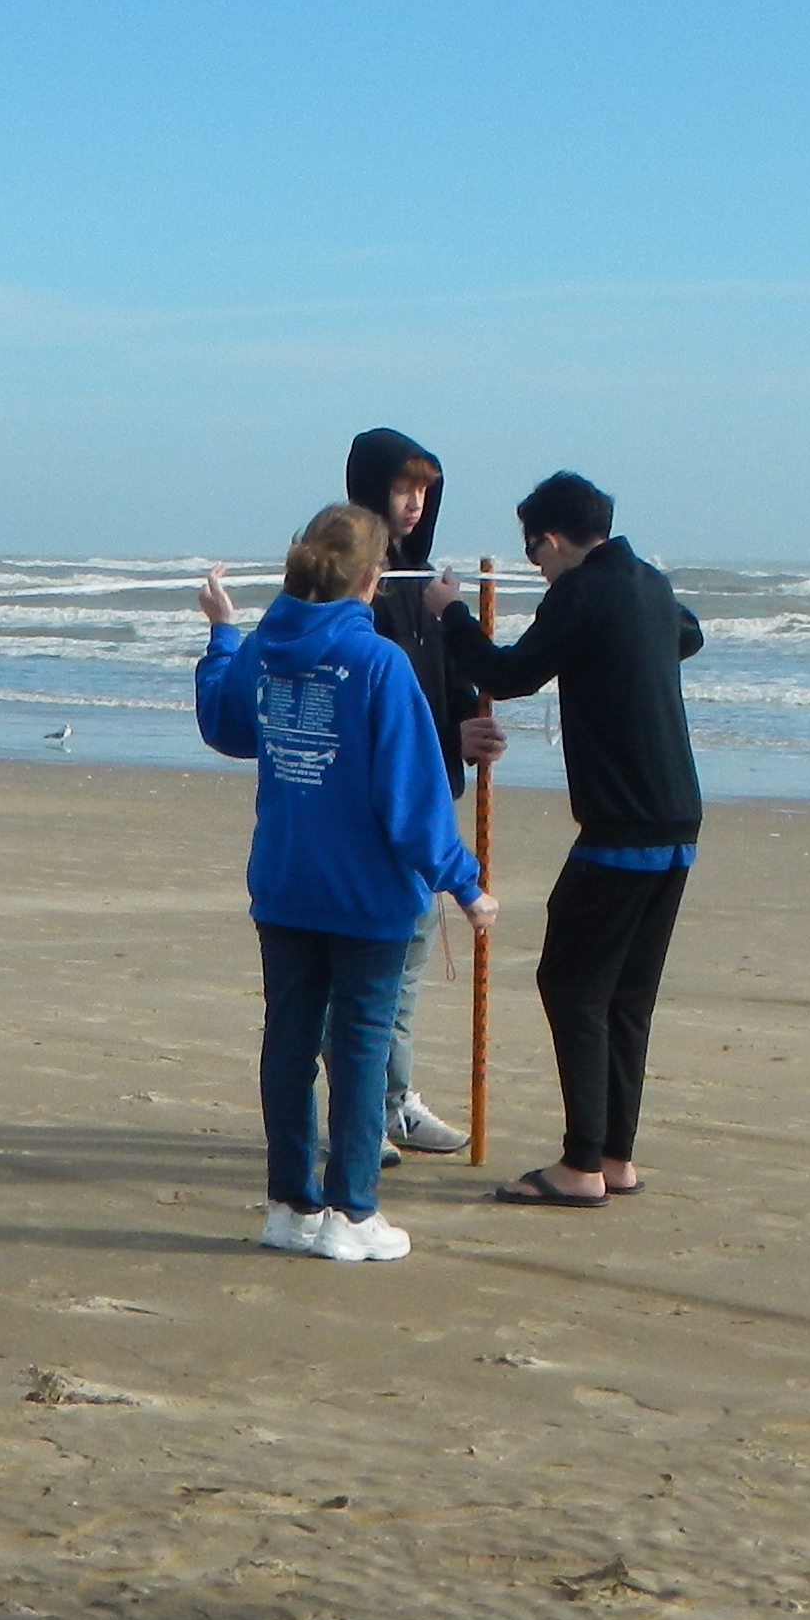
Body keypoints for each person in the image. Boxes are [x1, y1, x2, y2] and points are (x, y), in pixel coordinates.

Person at [195, 506, 496, 1261]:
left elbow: (225, 723)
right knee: (356, 1047)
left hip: (290, 881)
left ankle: (292, 1204)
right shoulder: (376, 663)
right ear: (370, 578)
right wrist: (464, 882)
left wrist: (225, 633)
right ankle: (349, 1212)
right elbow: (412, 794)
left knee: (293, 1042)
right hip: (360, 894)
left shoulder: (270, 647)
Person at [435, 470, 706, 1208]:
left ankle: (583, 1163)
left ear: (551, 541)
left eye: (536, 555)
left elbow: (509, 674)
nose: (538, 569)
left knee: (574, 984)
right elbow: (689, 632)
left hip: (624, 822)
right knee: (626, 994)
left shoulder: (583, 591)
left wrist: (451, 614)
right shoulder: (648, 584)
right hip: (677, 819)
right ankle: (615, 1156)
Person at [345, 429, 494, 1159]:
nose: (414, 503)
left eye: (425, 491)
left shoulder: (424, 582)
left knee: (406, 970)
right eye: (403, 488)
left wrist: (467, 725)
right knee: (372, 976)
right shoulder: (359, 588)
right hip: (375, 809)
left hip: (429, 799)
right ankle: (364, 1112)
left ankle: (392, 1101)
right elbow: (376, 713)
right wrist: (443, 736)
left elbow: (444, 682)